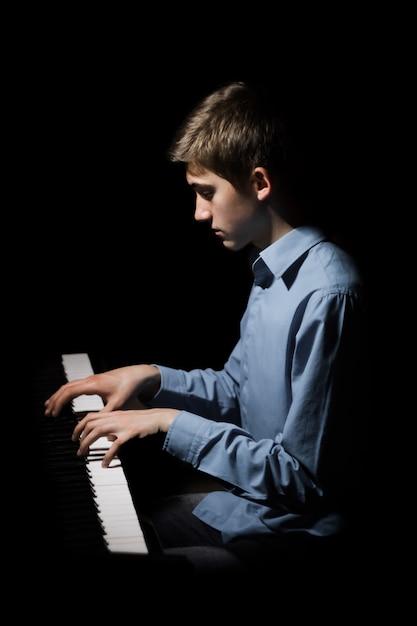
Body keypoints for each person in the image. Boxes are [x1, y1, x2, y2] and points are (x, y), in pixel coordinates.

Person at [44, 80, 371, 581]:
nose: (199, 213)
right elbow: (239, 391)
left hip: (299, 542)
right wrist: (151, 378)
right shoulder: (272, 271)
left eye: (207, 193)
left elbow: (304, 481)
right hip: (252, 513)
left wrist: (168, 422)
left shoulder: (329, 294)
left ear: (259, 183)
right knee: (115, 530)